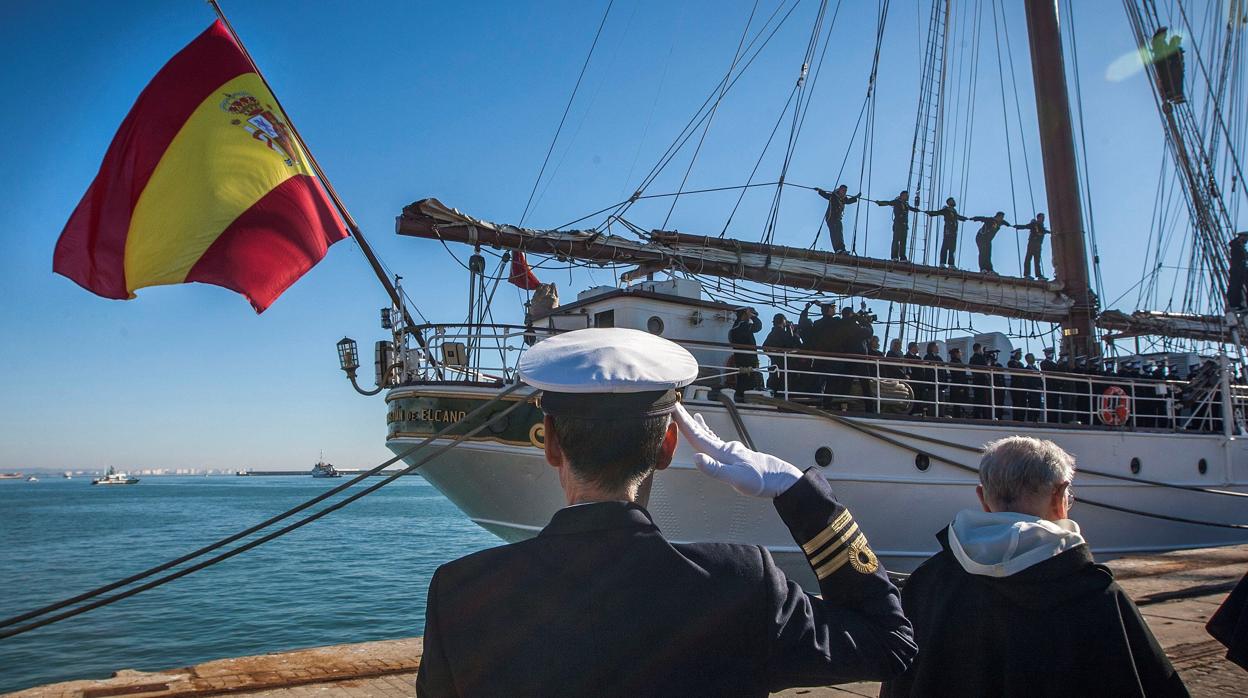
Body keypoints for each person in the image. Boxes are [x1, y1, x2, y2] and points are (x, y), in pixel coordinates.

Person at [416, 327, 917, 696]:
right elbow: (889, 641)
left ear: (549, 442)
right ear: (667, 446)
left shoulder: (459, 593)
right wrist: (795, 491)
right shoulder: (742, 584)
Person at [879, 436, 1188, 697]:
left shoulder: (926, 582)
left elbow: (898, 680)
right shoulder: (1096, 595)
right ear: (1060, 497)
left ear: (983, 498)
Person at [876, 190, 921, 261]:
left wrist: (917, 210)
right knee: (896, 241)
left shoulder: (906, 204)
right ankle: (894, 256)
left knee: (903, 242)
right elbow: (888, 203)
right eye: (906, 195)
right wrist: (880, 203)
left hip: (904, 226)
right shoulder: (896, 202)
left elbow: (911, 208)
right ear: (902, 195)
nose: (908, 197)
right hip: (898, 224)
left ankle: (902, 257)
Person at [729, 307, 763, 400]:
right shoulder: (742, 326)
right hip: (747, 361)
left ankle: (741, 397)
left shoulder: (736, 327)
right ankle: (746, 399)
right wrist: (753, 316)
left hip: (741, 360)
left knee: (743, 382)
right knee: (748, 383)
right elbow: (758, 326)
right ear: (745, 314)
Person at [815, 185, 861, 254]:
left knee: (839, 232)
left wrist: (856, 197)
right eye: (843, 190)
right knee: (834, 232)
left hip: (837, 219)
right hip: (831, 217)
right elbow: (825, 195)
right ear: (839, 190)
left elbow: (849, 201)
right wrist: (819, 190)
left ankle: (842, 249)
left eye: (845, 191)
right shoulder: (833, 196)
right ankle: (837, 249)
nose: (844, 192)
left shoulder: (844, 199)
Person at [764, 313, 802, 395]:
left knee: (774, 383)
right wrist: (790, 330)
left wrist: (773, 355)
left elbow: (765, 348)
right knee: (784, 385)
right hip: (785, 365)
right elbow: (791, 345)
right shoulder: (782, 333)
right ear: (783, 321)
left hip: (775, 363)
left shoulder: (772, 334)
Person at [925, 197, 967, 268]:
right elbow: (938, 212)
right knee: (945, 246)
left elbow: (957, 217)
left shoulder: (954, 211)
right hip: (948, 230)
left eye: (953, 200)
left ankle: (951, 264)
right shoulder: (946, 210)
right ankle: (942, 263)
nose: (954, 201)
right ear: (949, 203)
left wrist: (965, 218)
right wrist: (930, 212)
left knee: (952, 248)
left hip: (954, 231)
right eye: (952, 201)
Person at [1012, 213, 1050, 279]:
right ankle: (1027, 274)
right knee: (1029, 258)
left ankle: (1038, 275)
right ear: (1038, 218)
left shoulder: (1041, 226)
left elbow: (1044, 231)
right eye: (1042, 217)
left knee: (1037, 260)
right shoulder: (1034, 224)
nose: (1043, 219)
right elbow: (1026, 226)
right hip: (1033, 244)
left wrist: (1050, 232)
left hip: (1038, 245)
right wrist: (1017, 226)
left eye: (1044, 217)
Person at [968, 343, 991, 419]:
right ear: (979, 349)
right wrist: (988, 363)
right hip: (983, 381)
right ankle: (986, 417)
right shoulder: (981, 357)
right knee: (985, 400)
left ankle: (977, 416)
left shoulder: (972, 358)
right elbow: (986, 368)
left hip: (976, 382)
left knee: (977, 400)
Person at [1227, 232, 1248, 313]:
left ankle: (1241, 304)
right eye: (1246, 238)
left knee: (1241, 286)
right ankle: (1234, 304)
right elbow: (1241, 255)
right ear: (1241, 237)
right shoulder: (1236, 245)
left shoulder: (1240, 246)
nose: (1246, 240)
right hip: (1237, 270)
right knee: (1235, 286)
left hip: (1241, 269)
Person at [946, 347, 969, 418]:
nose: (961, 354)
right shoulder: (955, 362)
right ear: (956, 353)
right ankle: (957, 416)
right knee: (957, 402)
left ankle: (957, 415)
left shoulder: (954, 362)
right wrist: (961, 386)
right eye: (960, 352)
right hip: (958, 385)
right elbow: (959, 375)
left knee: (957, 403)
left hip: (956, 384)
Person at [1040, 347, 1061, 423]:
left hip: (1055, 388)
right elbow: (1049, 372)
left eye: (1051, 353)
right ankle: (1050, 420)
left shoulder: (1054, 364)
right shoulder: (1044, 363)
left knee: (1055, 405)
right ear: (1046, 354)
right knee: (1050, 405)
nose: (1051, 355)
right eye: (1049, 353)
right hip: (1049, 387)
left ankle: (1055, 420)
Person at [1007, 348, 1026, 421]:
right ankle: (1016, 418)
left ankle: (1021, 418)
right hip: (1015, 385)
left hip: (1021, 386)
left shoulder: (1021, 364)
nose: (1021, 356)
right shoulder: (1011, 363)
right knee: (1016, 403)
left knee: (1022, 403)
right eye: (1019, 354)